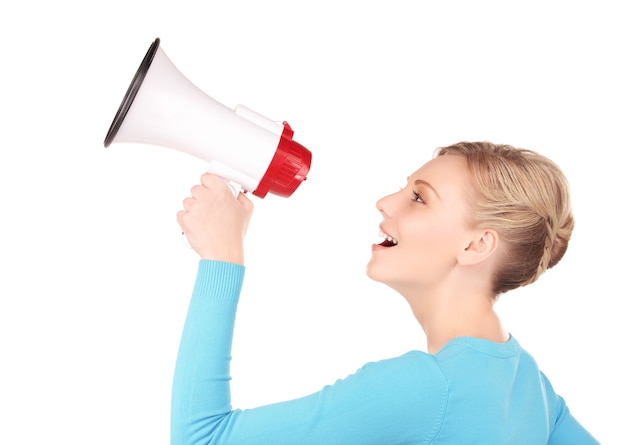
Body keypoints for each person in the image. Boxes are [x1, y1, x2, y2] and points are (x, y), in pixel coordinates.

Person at [171, 141, 599, 444]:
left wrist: (221, 256)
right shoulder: (529, 386)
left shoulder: (426, 388)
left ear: (476, 245)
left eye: (419, 198)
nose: (385, 202)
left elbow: (201, 440)